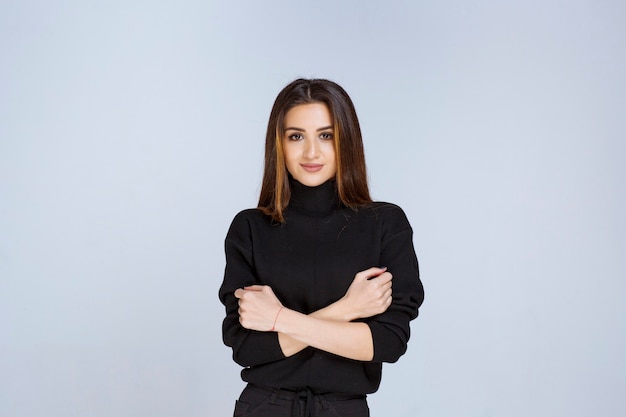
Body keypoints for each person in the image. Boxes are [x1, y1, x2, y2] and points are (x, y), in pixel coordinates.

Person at [218, 78, 424, 417]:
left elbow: (387, 343)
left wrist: (278, 319)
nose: (311, 152)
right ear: (279, 144)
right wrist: (347, 309)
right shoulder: (250, 227)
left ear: (347, 141)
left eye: (326, 136)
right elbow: (247, 348)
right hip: (264, 407)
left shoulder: (386, 223)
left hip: (344, 409)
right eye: (296, 136)